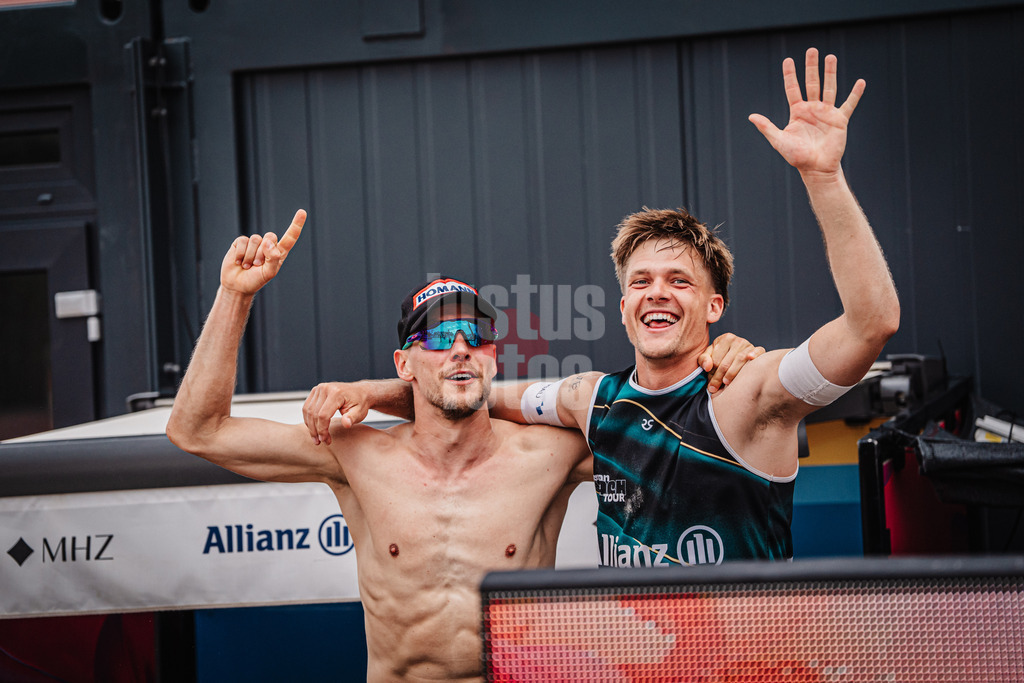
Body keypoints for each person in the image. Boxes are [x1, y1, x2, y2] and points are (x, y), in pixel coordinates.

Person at [302, 47, 900, 567]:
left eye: (679, 282)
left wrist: (824, 177)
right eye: (641, 281)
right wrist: (375, 392)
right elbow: (471, 393)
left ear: (715, 306)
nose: (657, 292)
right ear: (622, 307)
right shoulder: (590, 400)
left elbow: (871, 325)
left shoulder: (749, 394)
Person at [165, 219, 754, 679]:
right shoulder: (355, 454)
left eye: (476, 336)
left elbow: (682, 437)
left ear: (495, 357)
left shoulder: (550, 453)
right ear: (405, 363)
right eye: (440, 337)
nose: (461, 349)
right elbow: (199, 431)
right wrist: (234, 295)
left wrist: (724, 359)